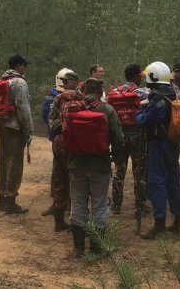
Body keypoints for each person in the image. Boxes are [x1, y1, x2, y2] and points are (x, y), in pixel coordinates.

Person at [67, 78, 123, 257]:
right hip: (100, 164)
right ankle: (97, 248)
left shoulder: (73, 107)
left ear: (84, 91)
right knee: (99, 205)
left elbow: (57, 129)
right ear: (101, 92)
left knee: (77, 203)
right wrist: (116, 158)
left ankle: (78, 248)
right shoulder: (107, 109)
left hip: (76, 163)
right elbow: (118, 138)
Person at [137, 61, 180, 239]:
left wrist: (138, 113)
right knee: (173, 181)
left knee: (157, 182)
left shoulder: (158, 101)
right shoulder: (172, 95)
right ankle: (178, 220)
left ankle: (159, 225)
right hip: (172, 145)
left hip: (158, 145)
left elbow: (144, 121)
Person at [0, 55, 34, 214]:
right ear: (19, 66)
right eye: (25, 66)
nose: (26, 69)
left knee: (3, 161)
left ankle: (2, 201)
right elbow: (23, 109)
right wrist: (29, 130)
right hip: (16, 128)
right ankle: (10, 201)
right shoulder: (20, 82)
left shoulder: (2, 80)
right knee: (15, 164)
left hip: (2, 126)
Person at [110, 63, 149, 215]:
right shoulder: (143, 92)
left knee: (119, 170)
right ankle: (140, 205)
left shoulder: (114, 92)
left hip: (119, 138)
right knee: (139, 172)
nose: (141, 79)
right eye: (139, 76)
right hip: (137, 137)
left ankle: (116, 205)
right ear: (134, 77)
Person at [46, 70, 81, 231]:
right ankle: (76, 220)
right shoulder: (81, 98)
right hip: (75, 142)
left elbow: (51, 118)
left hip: (59, 141)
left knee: (60, 178)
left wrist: (54, 135)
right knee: (76, 180)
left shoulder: (59, 98)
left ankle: (59, 222)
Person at [40, 68, 72, 217]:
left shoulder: (53, 96)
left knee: (58, 171)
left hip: (57, 139)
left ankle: (58, 203)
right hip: (72, 141)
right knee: (71, 172)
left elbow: (46, 114)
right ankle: (69, 205)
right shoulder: (77, 96)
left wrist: (53, 132)